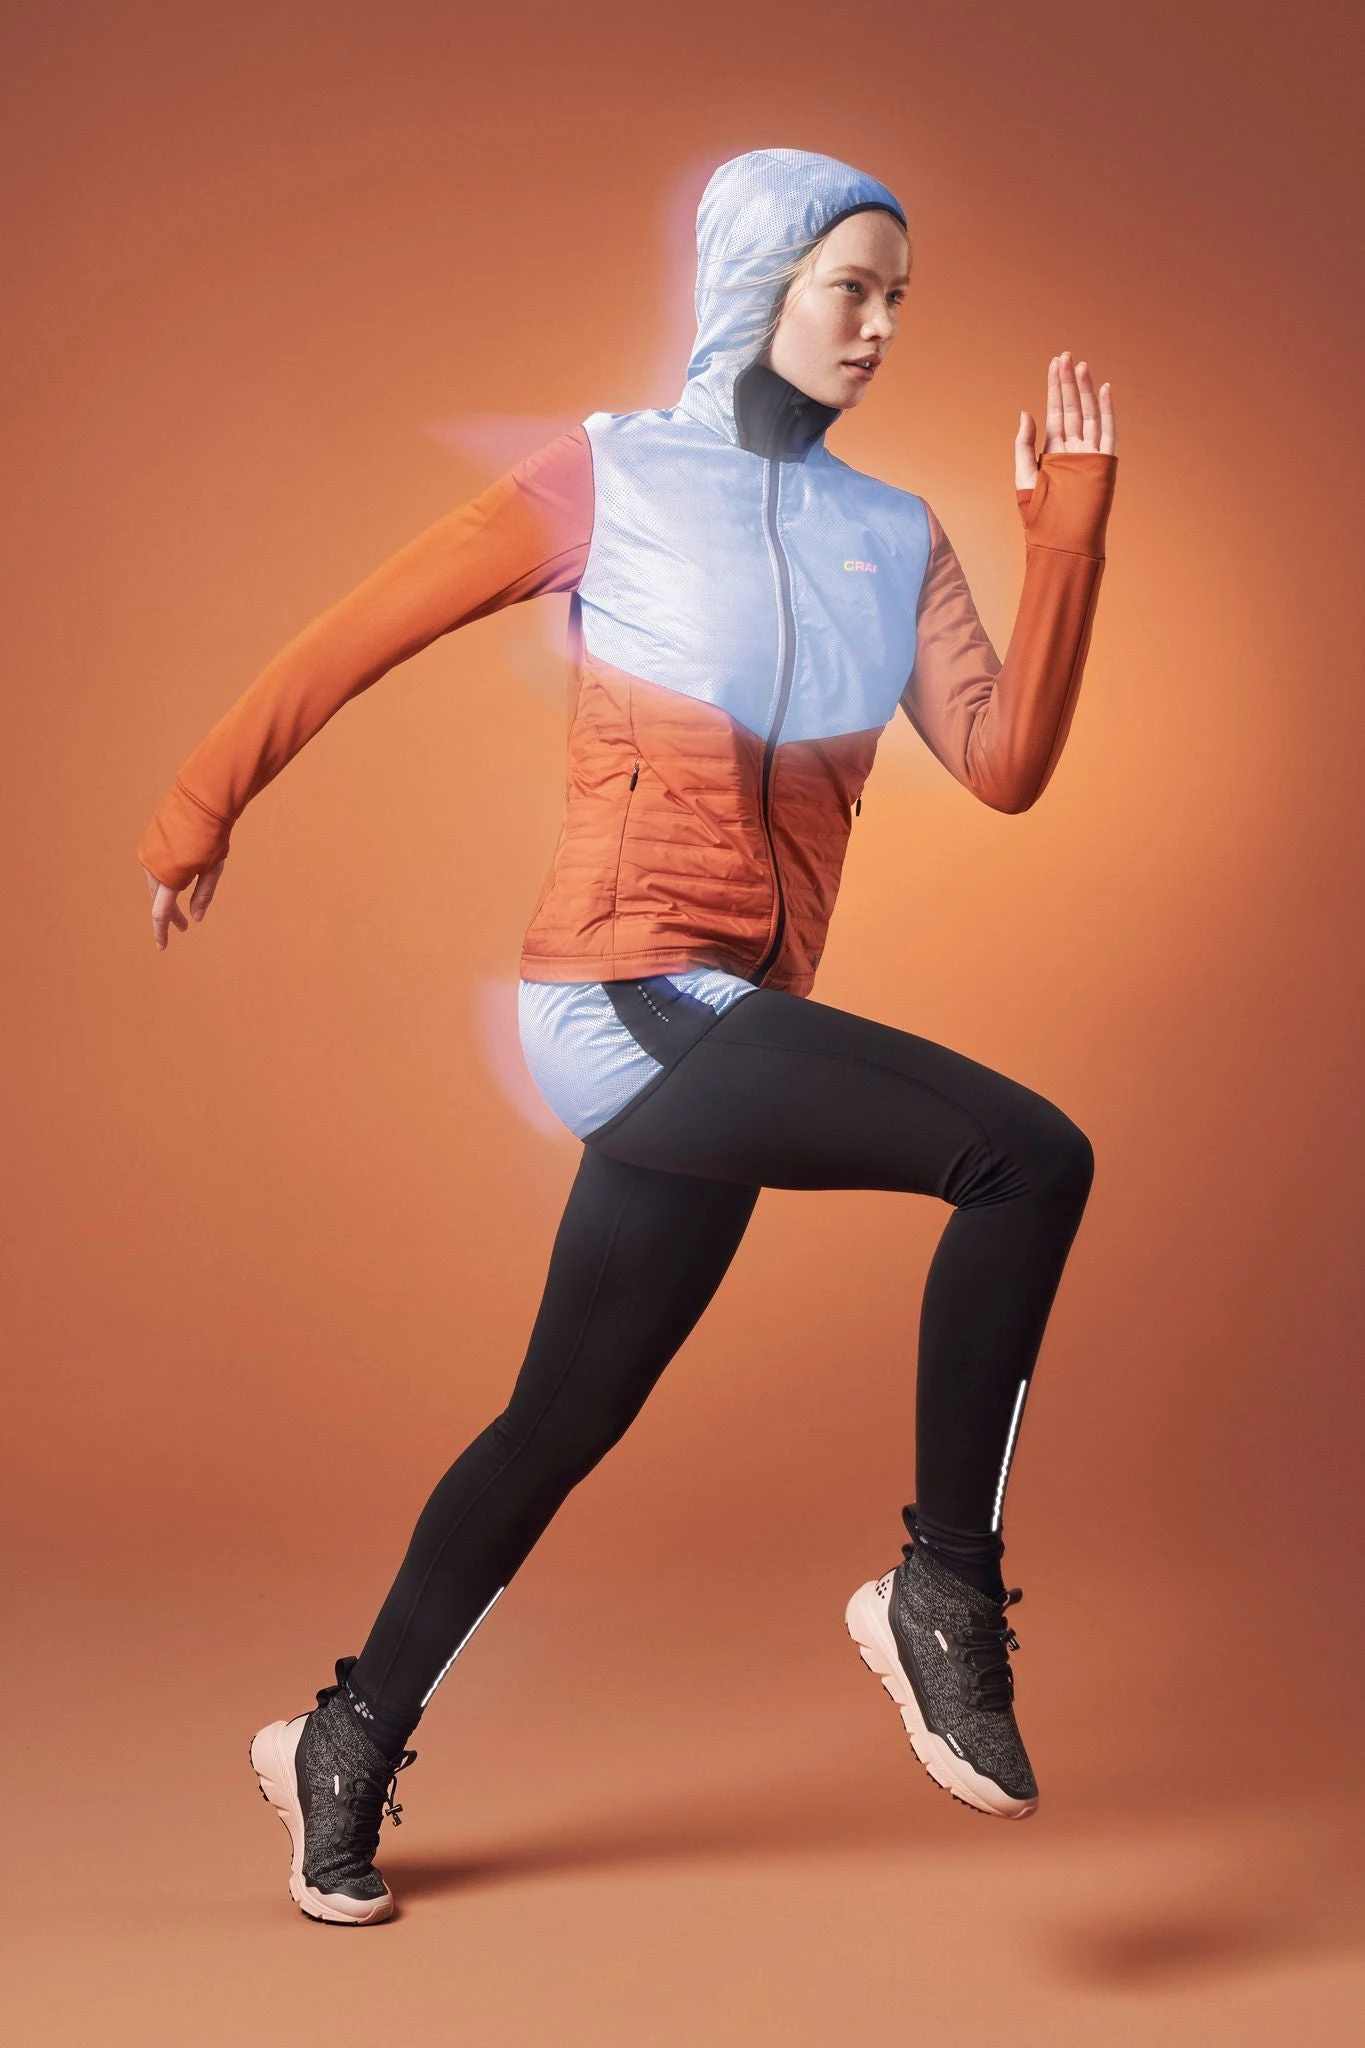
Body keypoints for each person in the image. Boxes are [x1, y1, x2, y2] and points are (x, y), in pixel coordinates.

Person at [139, 147, 1118, 1923]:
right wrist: (200, 804)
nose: (880, 327)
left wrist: (1067, 535)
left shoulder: (896, 533)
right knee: (1028, 1157)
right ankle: (941, 1589)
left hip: (740, 1031)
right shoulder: (616, 475)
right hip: (620, 995)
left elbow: (1005, 764)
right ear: (759, 282)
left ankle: (340, 1739)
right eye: (850, 287)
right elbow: (366, 630)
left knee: (561, 1416)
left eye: (900, 298)